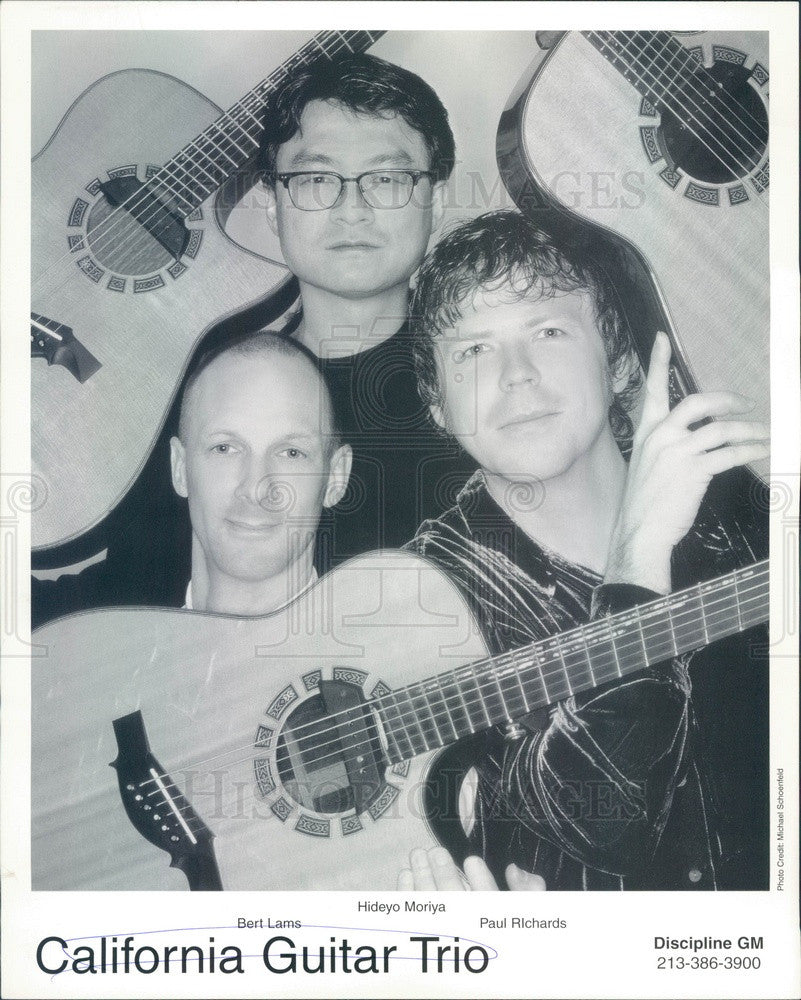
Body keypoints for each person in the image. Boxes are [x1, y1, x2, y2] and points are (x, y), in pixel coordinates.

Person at [33, 51, 474, 625]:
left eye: (387, 180)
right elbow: (123, 594)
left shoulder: (478, 399)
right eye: (316, 179)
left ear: (436, 201)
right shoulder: (190, 375)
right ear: (271, 204)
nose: (352, 210)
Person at [401, 210, 770, 891]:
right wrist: (636, 564)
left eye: (547, 330)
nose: (514, 374)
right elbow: (600, 821)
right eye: (472, 351)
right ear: (436, 404)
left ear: (619, 360)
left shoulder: (750, 508)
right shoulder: (412, 598)